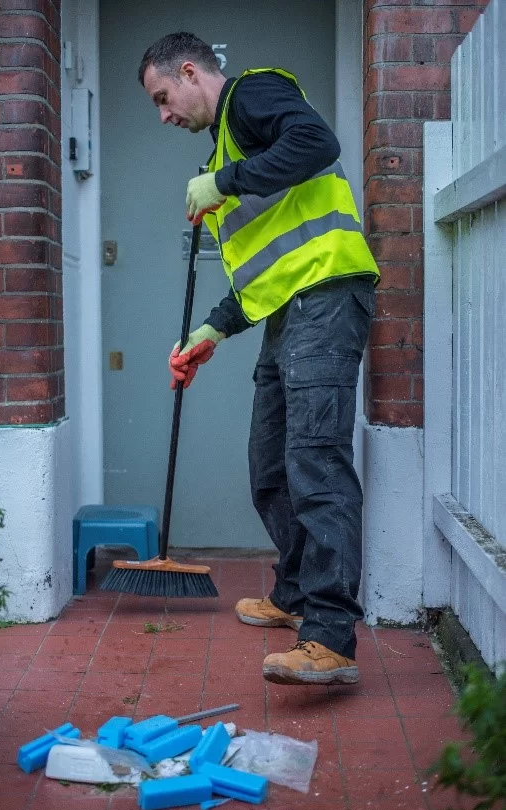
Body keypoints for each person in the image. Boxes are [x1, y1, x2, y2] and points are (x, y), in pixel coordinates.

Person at [139, 32, 379, 686]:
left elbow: (318, 144)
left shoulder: (252, 94)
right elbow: (262, 275)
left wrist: (225, 179)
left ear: (189, 72)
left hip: (328, 294)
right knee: (270, 465)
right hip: (288, 311)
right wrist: (206, 333)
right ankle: (296, 590)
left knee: (316, 460)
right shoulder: (223, 152)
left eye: (163, 97)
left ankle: (329, 636)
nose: (164, 115)